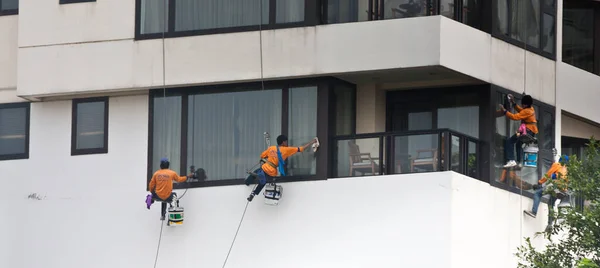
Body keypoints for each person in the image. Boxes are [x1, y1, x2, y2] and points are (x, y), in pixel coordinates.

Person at [244, 135, 318, 202]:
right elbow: (301, 149)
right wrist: (313, 141)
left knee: (257, 173)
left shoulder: (271, 148)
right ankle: (254, 191)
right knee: (263, 182)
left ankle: (248, 182)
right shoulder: (286, 150)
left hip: (265, 167)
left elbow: (262, 155)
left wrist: (268, 157)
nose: (287, 143)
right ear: (283, 142)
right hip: (271, 171)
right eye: (286, 142)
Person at [523, 155, 569, 230]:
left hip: (555, 187)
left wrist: (540, 182)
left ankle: (534, 212)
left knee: (538, 194)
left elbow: (548, 174)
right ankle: (550, 224)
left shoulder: (557, 165)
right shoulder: (566, 170)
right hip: (562, 190)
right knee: (551, 203)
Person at [499, 94, 539, 168]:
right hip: (530, 131)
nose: (522, 105)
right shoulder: (531, 109)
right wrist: (514, 103)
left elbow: (515, 117)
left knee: (510, 141)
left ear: (525, 104)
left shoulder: (526, 111)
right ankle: (519, 162)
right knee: (518, 143)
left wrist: (505, 111)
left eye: (522, 104)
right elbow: (522, 111)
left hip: (524, 131)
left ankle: (511, 160)